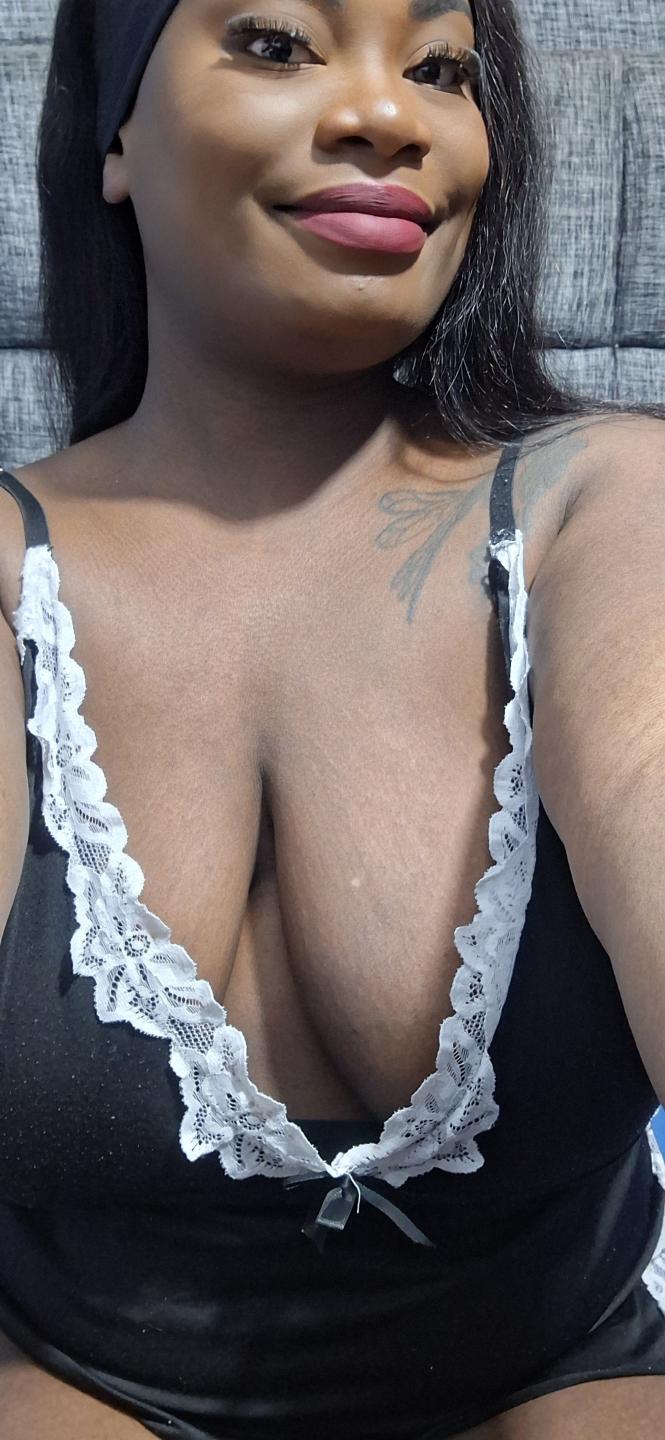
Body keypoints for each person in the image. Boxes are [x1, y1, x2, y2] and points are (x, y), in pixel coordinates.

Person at [0, 0, 664, 1436]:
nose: (389, 116)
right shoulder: (9, 576)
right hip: (78, 1374)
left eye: (439, 68)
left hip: (560, 1363)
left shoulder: (611, 505)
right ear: (115, 132)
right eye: (277, 42)